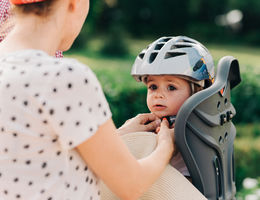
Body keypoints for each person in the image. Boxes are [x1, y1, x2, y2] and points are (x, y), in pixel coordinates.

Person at [0, 0, 174, 200]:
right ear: (73, 3)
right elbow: (132, 185)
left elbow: (36, 153)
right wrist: (166, 145)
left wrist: (118, 134)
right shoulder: (65, 78)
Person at [131, 35, 215, 177]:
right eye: (153, 86)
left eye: (171, 87)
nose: (158, 95)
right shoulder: (146, 124)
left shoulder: (193, 129)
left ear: (197, 92)